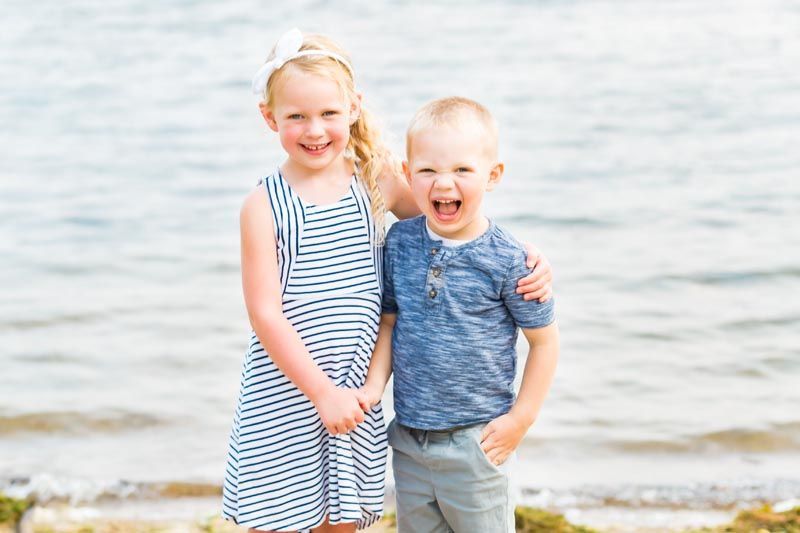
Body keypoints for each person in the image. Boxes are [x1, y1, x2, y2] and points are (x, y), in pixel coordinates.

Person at [222, 29, 553, 533]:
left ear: (354, 107)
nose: (315, 129)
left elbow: (448, 209)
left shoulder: (370, 178)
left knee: (342, 521)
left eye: (329, 113)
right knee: (280, 521)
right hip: (289, 392)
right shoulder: (264, 206)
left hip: (356, 394)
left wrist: (528, 259)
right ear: (270, 118)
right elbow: (264, 313)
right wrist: (319, 393)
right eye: (297, 116)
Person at [359, 96, 561, 533]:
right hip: (410, 438)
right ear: (408, 174)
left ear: (493, 176)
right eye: (428, 170)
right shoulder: (399, 241)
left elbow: (544, 342)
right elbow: (389, 323)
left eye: (462, 170)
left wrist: (520, 420)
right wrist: (374, 387)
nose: (443, 183)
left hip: (478, 441)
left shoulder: (509, 260)